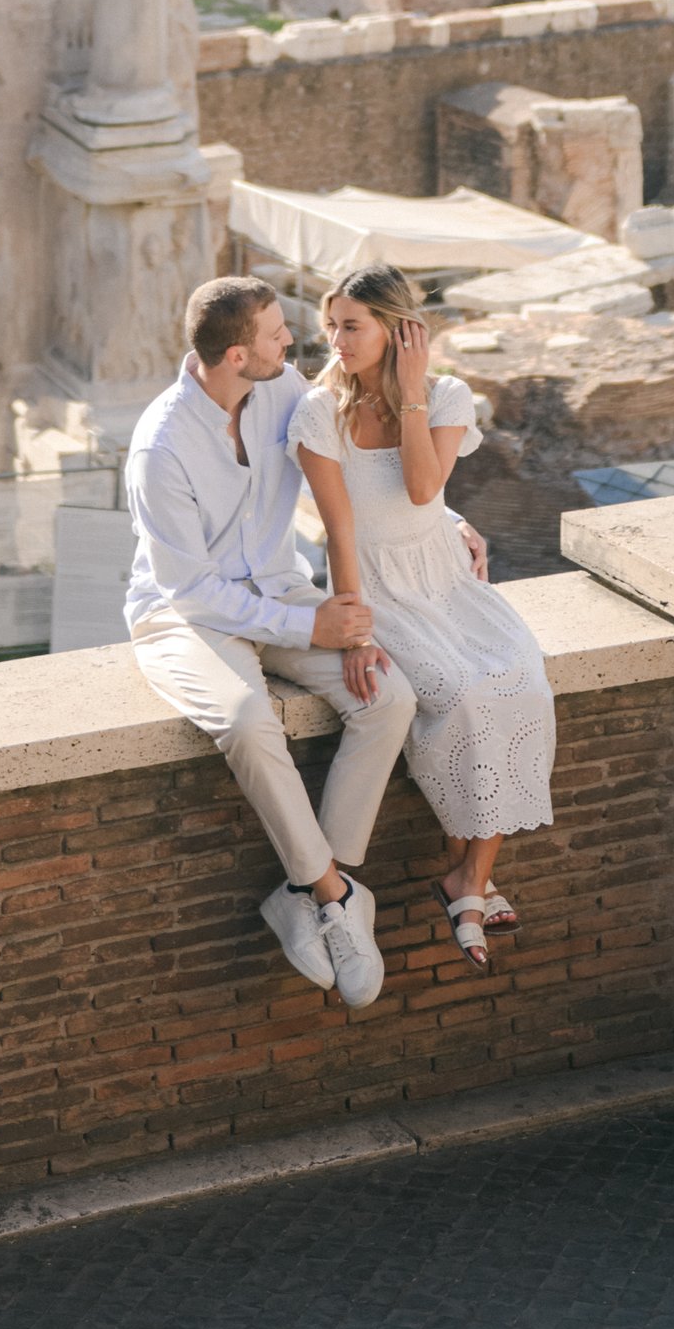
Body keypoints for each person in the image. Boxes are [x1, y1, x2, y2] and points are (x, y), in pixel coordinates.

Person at [123, 274, 424, 1008]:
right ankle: (332, 888)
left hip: (279, 591)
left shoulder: (284, 390)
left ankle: (313, 895)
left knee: (389, 697)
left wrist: (448, 525)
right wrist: (310, 624)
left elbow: (359, 470)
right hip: (184, 617)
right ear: (234, 353)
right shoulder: (160, 448)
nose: (291, 339)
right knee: (247, 719)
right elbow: (189, 588)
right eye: (274, 331)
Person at [293, 264, 555, 973]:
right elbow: (340, 532)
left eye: (352, 324)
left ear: (399, 329)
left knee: (521, 679)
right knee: (460, 692)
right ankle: (470, 881)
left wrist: (411, 394)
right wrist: (356, 628)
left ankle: (469, 875)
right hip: (379, 588)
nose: (335, 339)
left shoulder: (446, 396)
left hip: (446, 575)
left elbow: (420, 490)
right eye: (331, 325)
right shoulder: (319, 410)